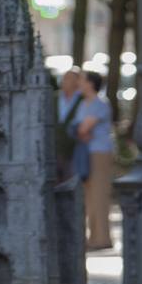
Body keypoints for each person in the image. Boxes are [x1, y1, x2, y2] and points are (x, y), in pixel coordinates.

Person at [75, 70, 114, 250]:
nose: (79, 83)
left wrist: (82, 131)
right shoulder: (84, 104)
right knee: (88, 196)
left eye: (82, 80)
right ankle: (92, 237)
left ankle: (102, 238)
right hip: (86, 153)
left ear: (91, 83)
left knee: (99, 195)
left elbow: (83, 128)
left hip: (100, 153)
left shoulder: (100, 104)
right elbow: (79, 129)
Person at [55, 68, 84, 182]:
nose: (64, 81)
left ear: (77, 82)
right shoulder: (53, 98)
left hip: (73, 151)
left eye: (68, 78)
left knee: (71, 183)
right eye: (64, 78)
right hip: (54, 150)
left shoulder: (83, 100)